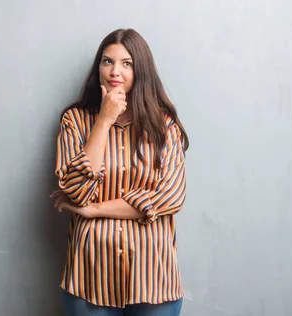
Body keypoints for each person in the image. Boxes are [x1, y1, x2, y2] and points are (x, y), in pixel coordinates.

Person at [50, 28, 189, 316]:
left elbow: (170, 197)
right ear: (98, 67)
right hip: (90, 280)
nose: (115, 71)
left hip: (154, 280)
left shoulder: (165, 127)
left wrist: (96, 209)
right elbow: (77, 191)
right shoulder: (74, 121)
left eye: (127, 63)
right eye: (107, 61)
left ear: (141, 71)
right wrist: (103, 120)